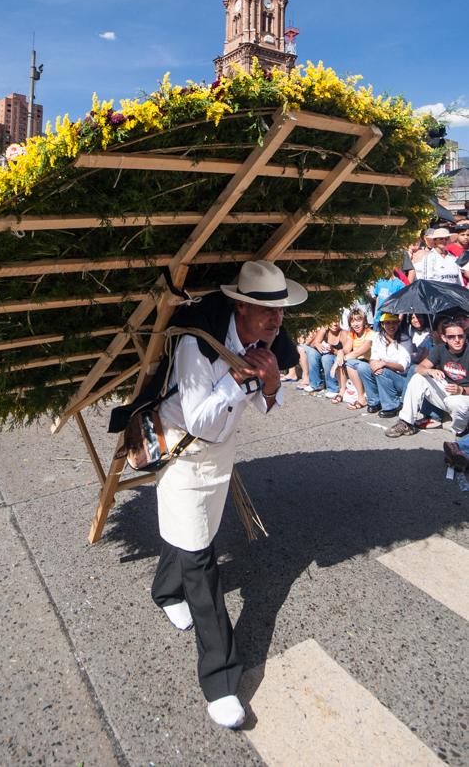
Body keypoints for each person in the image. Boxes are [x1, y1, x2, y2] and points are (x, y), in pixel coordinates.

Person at [118, 261, 308, 729]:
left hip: (219, 457)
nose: (276, 320)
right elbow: (201, 417)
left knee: (194, 533)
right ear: (241, 306)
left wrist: (270, 384)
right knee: (201, 559)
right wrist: (242, 379)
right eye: (266, 311)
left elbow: (266, 406)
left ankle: (164, 591)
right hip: (184, 456)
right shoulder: (196, 344)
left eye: (280, 310)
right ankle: (221, 679)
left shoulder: (266, 345)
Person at [386, 317, 469, 437]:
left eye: (460, 336)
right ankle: (406, 422)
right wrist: (429, 370)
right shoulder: (440, 349)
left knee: (455, 402)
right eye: (451, 337)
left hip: (464, 396)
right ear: (444, 338)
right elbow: (419, 368)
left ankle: (460, 429)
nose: (457, 340)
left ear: (465, 336)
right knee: (418, 377)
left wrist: (461, 390)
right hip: (447, 392)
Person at [336, 309, 374, 409]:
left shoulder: (370, 333)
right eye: (352, 321)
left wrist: (343, 358)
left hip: (368, 363)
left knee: (349, 363)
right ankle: (342, 391)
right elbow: (347, 349)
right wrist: (340, 352)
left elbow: (359, 352)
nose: (355, 324)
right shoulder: (352, 334)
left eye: (358, 320)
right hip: (357, 361)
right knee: (339, 360)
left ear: (364, 321)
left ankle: (361, 398)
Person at [311, 320, 348, 400]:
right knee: (311, 353)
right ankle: (315, 384)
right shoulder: (324, 330)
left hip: (340, 358)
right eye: (332, 321)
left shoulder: (343, 333)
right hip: (327, 357)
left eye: (337, 321)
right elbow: (313, 343)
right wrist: (317, 344)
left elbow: (347, 352)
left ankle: (334, 388)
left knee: (326, 358)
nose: (334, 323)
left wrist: (333, 350)